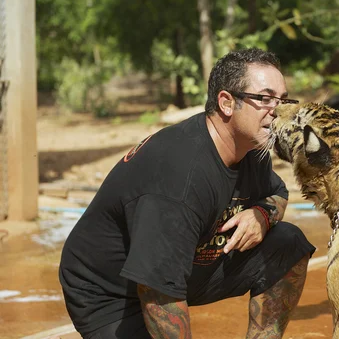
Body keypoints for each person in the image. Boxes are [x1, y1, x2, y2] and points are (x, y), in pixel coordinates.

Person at [59, 48, 316, 339]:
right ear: (227, 103)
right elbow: (158, 291)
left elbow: (278, 193)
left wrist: (261, 215)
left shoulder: (251, 150)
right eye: (265, 98)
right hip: (111, 292)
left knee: (288, 243)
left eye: (283, 100)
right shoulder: (181, 175)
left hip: (181, 265)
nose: (279, 111)